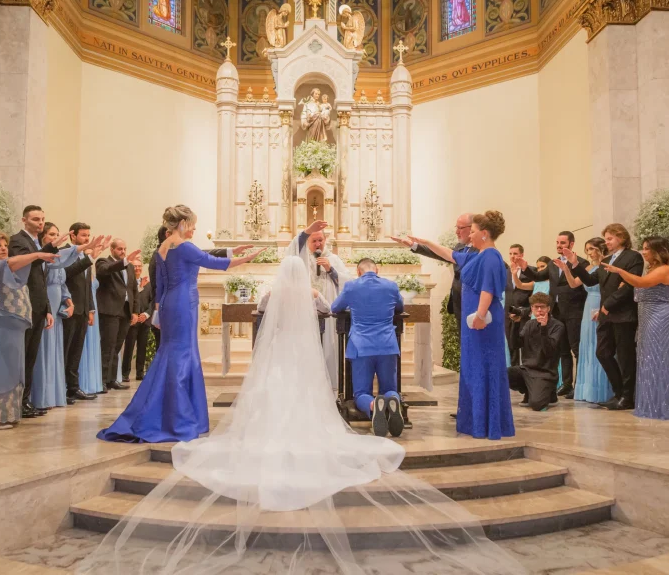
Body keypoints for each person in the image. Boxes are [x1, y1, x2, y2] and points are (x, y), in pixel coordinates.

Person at [78, 256, 526, 575]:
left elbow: (267, 319)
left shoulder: (271, 292)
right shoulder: (322, 291)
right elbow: (329, 313)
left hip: (278, 359)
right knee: (322, 395)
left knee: (272, 393)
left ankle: (315, 421)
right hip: (340, 353)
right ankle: (379, 402)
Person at [98, 205, 262, 443]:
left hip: (169, 304)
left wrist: (159, 311)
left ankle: (163, 410)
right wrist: (245, 259)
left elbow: (161, 285)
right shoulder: (184, 246)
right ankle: (178, 417)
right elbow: (208, 261)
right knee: (183, 356)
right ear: (183, 223)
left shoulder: (163, 247)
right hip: (184, 303)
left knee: (171, 353)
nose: (194, 227)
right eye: (192, 224)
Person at [409, 211, 515, 440]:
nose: (470, 235)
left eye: (474, 231)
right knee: (473, 368)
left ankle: (487, 423)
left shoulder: (491, 257)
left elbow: (488, 289)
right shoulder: (477, 255)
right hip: (474, 323)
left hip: (482, 323)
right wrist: (423, 242)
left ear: (484, 234)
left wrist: (480, 315)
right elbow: (449, 254)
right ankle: (476, 420)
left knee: (483, 367)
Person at [0, 231, 57, 430]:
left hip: (8, 326)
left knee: (10, 370)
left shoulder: (8, 268)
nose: (3, 248)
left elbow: (20, 269)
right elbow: (10, 264)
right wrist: (37, 254)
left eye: (4, 245)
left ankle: (6, 415)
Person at [563, 223, 645, 411]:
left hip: (623, 314)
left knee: (625, 357)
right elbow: (591, 280)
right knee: (602, 353)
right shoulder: (608, 259)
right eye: (606, 238)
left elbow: (629, 285)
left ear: (621, 238)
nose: (606, 242)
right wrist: (575, 264)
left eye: (610, 238)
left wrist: (607, 305)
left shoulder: (633, 257)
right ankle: (618, 392)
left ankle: (627, 397)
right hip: (606, 315)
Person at [602, 236, 669, 420]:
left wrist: (620, 272)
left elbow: (640, 283)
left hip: (659, 319)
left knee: (658, 362)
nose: (643, 252)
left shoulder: (665, 269)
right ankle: (650, 405)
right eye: (643, 248)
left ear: (658, 251)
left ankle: (661, 408)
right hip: (647, 320)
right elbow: (640, 286)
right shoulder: (652, 269)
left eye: (647, 249)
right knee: (648, 362)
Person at [331, 258, 405, 437]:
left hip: (361, 345)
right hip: (387, 344)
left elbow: (335, 307)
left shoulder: (351, 286)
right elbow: (400, 307)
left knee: (361, 392)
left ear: (358, 272)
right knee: (389, 388)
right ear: (377, 270)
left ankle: (373, 406)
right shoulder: (391, 286)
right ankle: (393, 400)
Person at [513, 232, 587, 399]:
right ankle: (566, 384)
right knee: (562, 350)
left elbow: (582, 285)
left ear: (572, 244)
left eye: (563, 242)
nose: (559, 245)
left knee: (576, 349)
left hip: (574, 310)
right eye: (557, 242)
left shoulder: (581, 262)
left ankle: (578, 385)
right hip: (557, 311)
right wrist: (525, 267)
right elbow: (538, 276)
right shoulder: (553, 264)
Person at [148, 224, 246, 350]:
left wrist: (230, 251)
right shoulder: (161, 256)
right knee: (167, 353)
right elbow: (157, 288)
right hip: (166, 312)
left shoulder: (177, 252)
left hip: (178, 309)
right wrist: (158, 312)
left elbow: (202, 254)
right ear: (168, 235)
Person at [9, 205, 63, 419]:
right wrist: (50, 249)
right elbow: (28, 264)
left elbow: (41, 279)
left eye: (42, 219)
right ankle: (17, 403)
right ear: (24, 220)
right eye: (35, 219)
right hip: (25, 305)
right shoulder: (18, 241)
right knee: (22, 356)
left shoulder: (36, 244)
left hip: (39, 305)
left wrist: (48, 309)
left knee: (31, 357)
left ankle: (26, 401)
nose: (40, 223)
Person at [30, 223, 91, 409]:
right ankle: (38, 395)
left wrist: (68, 300)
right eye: (51, 234)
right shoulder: (43, 257)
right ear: (43, 237)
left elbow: (62, 281)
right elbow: (42, 282)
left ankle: (53, 394)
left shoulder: (55, 259)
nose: (54, 237)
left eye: (57, 234)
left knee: (56, 350)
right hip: (46, 303)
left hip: (58, 306)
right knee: (44, 350)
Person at [286, 220, 352, 390]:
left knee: (328, 347)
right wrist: (307, 231)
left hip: (328, 313)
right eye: (313, 241)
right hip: (305, 313)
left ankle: (329, 387)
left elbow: (347, 285)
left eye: (320, 240)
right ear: (308, 242)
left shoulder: (333, 259)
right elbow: (293, 247)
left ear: (325, 240)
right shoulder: (301, 259)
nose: (317, 244)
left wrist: (331, 270)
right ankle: (307, 386)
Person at [555, 237, 613, 404]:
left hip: (600, 305)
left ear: (601, 249)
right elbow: (573, 284)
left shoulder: (606, 265)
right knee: (587, 346)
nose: (589, 252)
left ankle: (604, 389)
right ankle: (588, 388)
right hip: (588, 307)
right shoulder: (589, 267)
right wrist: (566, 268)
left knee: (600, 346)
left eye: (592, 249)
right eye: (587, 249)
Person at [62, 223, 108, 403]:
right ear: (72, 236)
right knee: (66, 351)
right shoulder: (65, 252)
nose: (87, 239)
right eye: (83, 236)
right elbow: (67, 274)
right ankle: (64, 389)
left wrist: (90, 309)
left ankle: (73, 387)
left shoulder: (85, 256)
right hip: (69, 307)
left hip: (82, 309)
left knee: (76, 351)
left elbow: (88, 285)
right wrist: (88, 259)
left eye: (88, 236)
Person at [95, 239, 141, 393]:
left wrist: (135, 311)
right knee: (107, 347)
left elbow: (133, 290)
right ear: (112, 249)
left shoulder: (129, 267)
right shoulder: (103, 262)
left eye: (124, 248)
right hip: (110, 310)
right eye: (120, 249)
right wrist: (125, 261)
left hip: (125, 311)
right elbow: (105, 270)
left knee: (116, 347)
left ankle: (112, 379)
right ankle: (101, 381)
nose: (123, 251)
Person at [507, 292, 565, 412]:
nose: (539, 310)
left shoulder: (557, 326)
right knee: (501, 374)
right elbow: (515, 345)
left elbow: (549, 351)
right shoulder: (529, 324)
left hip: (545, 372)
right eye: (536, 307)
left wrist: (543, 328)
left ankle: (550, 394)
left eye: (542, 307)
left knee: (537, 405)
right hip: (527, 370)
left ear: (548, 308)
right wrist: (516, 324)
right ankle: (529, 390)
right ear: (532, 309)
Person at [121, 261, 152, 383]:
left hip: (145, 320)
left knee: (142, 347)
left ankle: (140, 373)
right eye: (135, 266)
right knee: (129, 347)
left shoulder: (148, 284)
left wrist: (146, 314)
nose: (137, 268)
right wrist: (140, 287)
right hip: (132, 320)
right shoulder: (128, 282)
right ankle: (125, 373)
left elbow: (152, 301)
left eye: (139, 266)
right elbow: (132, 298)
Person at [505, 243, 532, 366]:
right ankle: (513, 374)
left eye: (515, 253)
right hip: (507, 312)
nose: (512, 256)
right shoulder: (505, 272)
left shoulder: (529, 271)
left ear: (522, 255)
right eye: (510, 253)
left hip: (523, 313)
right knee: (511, 345)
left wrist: (525, 311)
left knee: (524, 345)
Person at [78, 277, 104, 395]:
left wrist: (92, 309)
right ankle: (81, 383)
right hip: (83, 306)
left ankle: (92, 382)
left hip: (92, 308)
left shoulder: (89, 266)